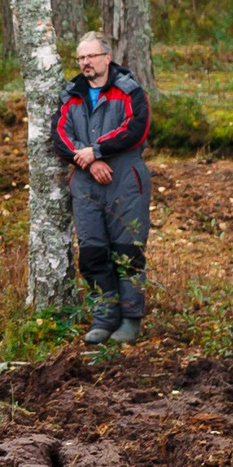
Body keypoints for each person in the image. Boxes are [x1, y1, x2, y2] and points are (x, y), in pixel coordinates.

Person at [52, 31, 152, 345]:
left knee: (128, 249)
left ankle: (130, 318)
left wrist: (97, 150)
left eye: (91, 56)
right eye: (81, 58)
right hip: (85, 182)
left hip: (125, 178)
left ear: (107, 58)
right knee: (93, 251)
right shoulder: (72, 94)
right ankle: (104, 316)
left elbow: (136, 128)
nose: (85, 63)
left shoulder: (129, 91)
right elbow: (60, 135)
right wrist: (88, 161)